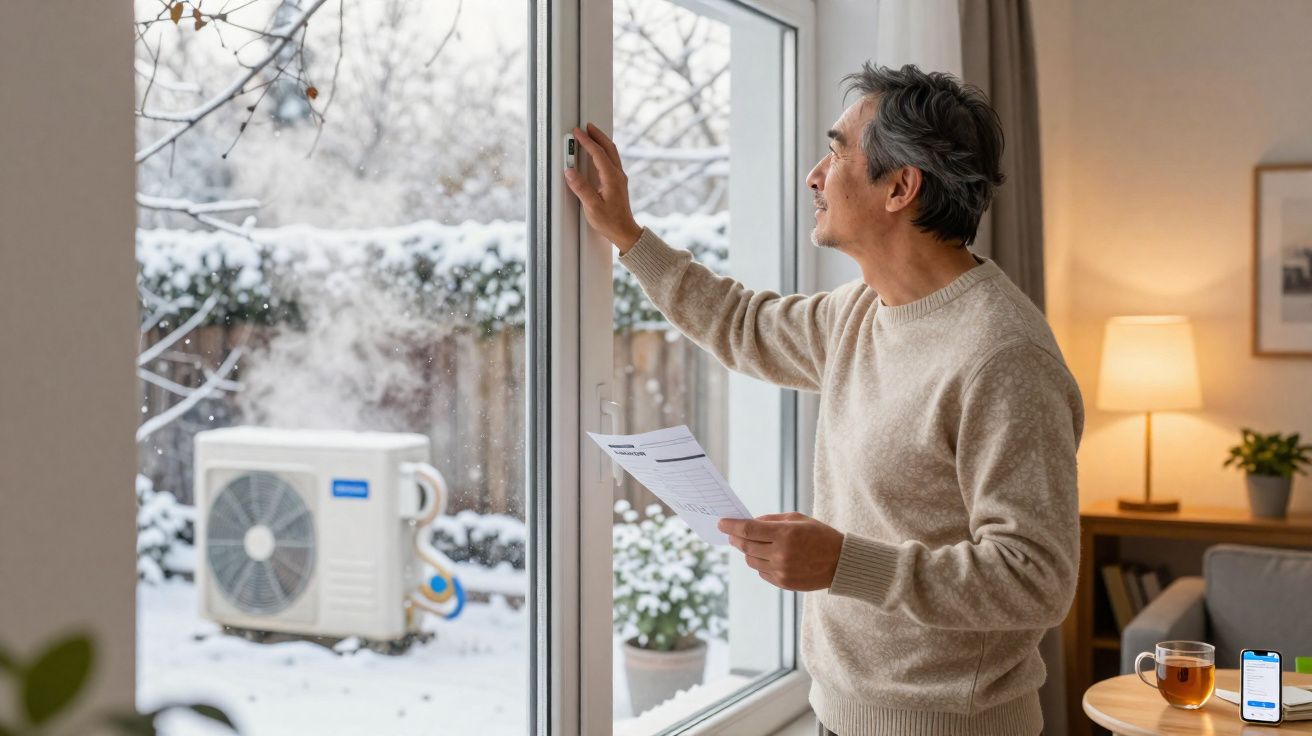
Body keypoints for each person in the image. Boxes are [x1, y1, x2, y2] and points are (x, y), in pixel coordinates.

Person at [564, 62, 1082, 736]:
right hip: (839, 714)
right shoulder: (862, 313)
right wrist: (628, 237)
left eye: (837, 151)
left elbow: (1035, 577)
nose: (815, 174)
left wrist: (844, 563)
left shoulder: (1004, 356)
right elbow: (741, 324)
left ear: (900, 187)